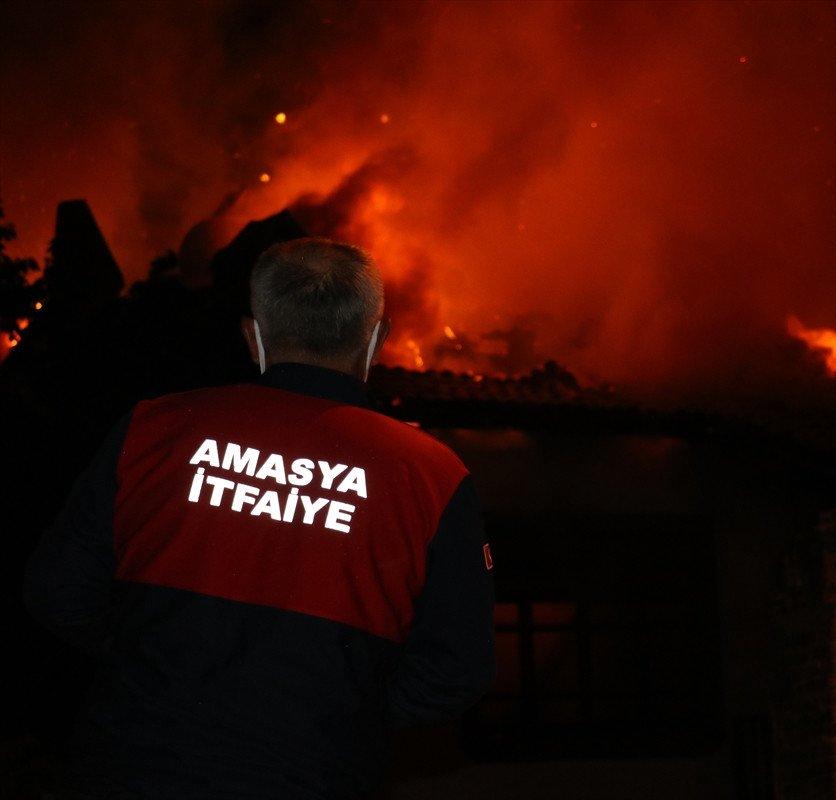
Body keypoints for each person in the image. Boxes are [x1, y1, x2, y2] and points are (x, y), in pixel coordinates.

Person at [24, 238, 495, 798]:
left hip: (130, 764)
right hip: (312, 775)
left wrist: (148, 668)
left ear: (254, 336)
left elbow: (56, 590)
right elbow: (458, 668)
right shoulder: (431, 476)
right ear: (376, 339)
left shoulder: (153, 429)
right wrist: (348, 709)